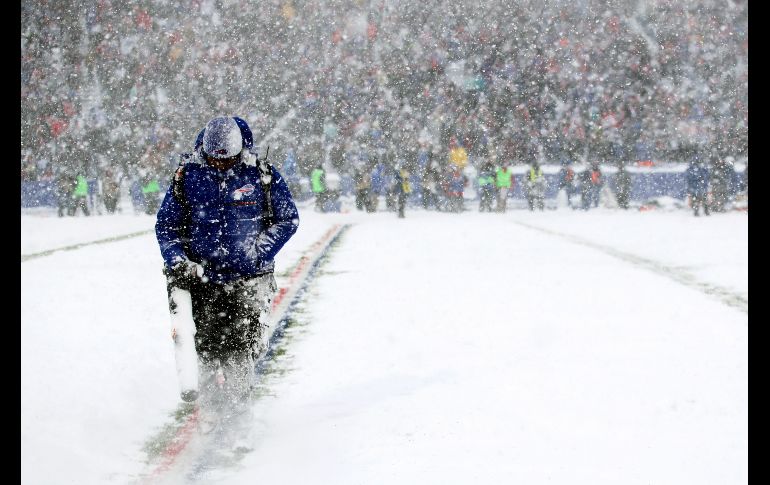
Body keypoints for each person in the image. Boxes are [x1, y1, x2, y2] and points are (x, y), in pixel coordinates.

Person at [155, 116, 299, 407]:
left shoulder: (262, 175)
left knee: (241, 354)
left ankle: (240, 420)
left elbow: (288, 219)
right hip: (202, 281)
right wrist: (177, 260)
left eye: (228, 161)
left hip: (249, 282)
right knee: (206, 353)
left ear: (241, 151)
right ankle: (209, 413)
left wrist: (258, 252)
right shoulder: (187, 177)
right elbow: (166, 227)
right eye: (214, 160)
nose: (220, 165)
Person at [685, 152, 710, 217]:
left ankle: (703, 211)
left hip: (698, 186)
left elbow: (706, 176)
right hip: (697, 186)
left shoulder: (694, 168)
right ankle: (702, 211)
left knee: (700, 199)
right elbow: (705, 176)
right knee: (699, 199)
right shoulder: (694, 168)